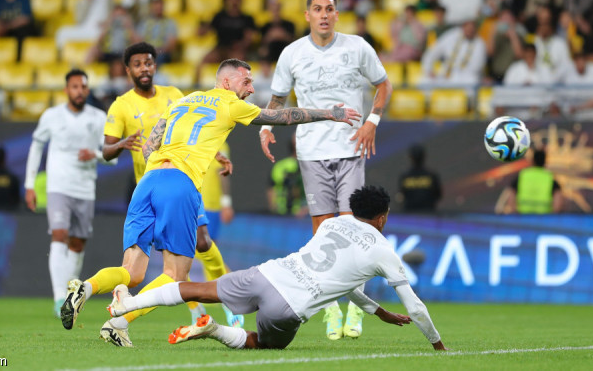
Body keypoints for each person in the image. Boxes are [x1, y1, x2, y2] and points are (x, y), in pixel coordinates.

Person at [59, 58, 361, 347]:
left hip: (147, 182)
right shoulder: (231, 103)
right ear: (226, 81)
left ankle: (85, 288)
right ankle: (119, 321)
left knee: (133, 272)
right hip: (179, 184)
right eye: (247, 81)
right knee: (175, 274)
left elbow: (151, 145)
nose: (252, 89)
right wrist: (330, 113)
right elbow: (281, 117)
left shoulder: (181, 102)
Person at [106, 185, 446, 352]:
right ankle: (213, 331)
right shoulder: (383, 250)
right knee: (264, 344)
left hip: (267, 273)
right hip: (288, 306)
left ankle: (128, 303)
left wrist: (375, 310)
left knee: (195, 288)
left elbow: (346, 282)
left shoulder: (332, 224)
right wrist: (437, 344)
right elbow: (414, 306)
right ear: (383, 216)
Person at [259, 0, 392, 341]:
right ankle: (330, 308)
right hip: (310, 152)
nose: (323, 14)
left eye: (329, 9)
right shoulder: (292, 53)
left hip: (350, 149)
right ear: (307, 15)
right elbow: (277, 98)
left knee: (357, 232)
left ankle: (356, 310)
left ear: (336, 14)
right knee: (322, 237)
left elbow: (383, 84)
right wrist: (267, 126)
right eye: (317, 9)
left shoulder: (357, 47)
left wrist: (371, 122)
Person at [99, 43, 243, 347]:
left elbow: (193, 130)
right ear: (129, 70)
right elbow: (106, 151)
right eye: (137, 64)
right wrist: (124, 143)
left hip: (177, 180)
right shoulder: (122, 105)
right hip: (158, 183)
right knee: (174, 269)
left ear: (155, 65)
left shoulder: (176, 95)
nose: (144, 69)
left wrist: (215, 153)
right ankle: (135, 312)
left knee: (200, 242)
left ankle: (222, 304)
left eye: (149, 63)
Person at [24, 69, 117, 318]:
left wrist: (95, 155)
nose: (79, 91)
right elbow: (36, 146)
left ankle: (69, 297)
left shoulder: (98, 118)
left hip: (85, 188)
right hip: (58, 187)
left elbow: (112, 158)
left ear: (87, 90)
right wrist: (29, 184)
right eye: (74, 87)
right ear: (67, 90)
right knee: (59, 235)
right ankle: (58, 298)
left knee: (77, 242)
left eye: (83, 87)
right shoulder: (52, 116)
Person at [420, 20, 486, 87]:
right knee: (425, 81)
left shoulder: (479, 43)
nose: (469, 31)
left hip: (465, 78)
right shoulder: (452, 35)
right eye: (467, 27)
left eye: (472, 29)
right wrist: (429, 70)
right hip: (445, 75)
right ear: (463, 27)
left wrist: (456, 73)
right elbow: (432, 52)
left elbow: (477, 67)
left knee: (473, 81)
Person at [501, 149, 563, 214]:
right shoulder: (549, 177)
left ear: (533, 161)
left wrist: (514, 212)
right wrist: (552, 216)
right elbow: (558, 200)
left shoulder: (523, 175)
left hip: (523, 217)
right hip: (544, 218)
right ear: (545, 162)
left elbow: (511, 194)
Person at [268, 134, 307, 216]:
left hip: (294, 215)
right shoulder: (308, 167)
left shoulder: (279, 166)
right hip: (290, 215)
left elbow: (271, 189)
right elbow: (272, 188)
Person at [398, 145, 442, 213]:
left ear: (411, 157)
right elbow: (438, 195)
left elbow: (401, 196)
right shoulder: (432, 176)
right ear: (424, 156)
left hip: (409, 215)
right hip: (428, 214)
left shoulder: (405, 177)